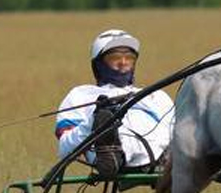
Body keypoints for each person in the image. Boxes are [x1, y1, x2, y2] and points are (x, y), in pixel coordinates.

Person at [55, 28, 174, 176]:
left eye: (129, 58)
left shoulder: (154, 95)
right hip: (108, 152)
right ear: (99, 63)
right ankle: (111, 153)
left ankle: (169, 157)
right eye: (115, 58)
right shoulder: (80, 95)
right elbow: (64, 147)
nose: (123, 63)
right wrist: (94, 120)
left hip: (160, 152)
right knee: (106, 119)